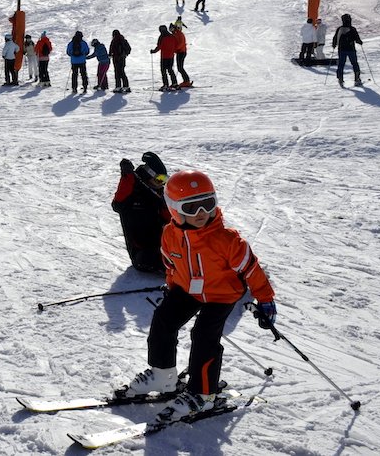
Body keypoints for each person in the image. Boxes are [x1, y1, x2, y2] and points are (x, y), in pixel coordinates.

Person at [116, 170, 277, 423]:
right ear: (174, 209)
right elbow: (171, 265)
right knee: (163, 320)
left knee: (204, 335)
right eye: (191, 207)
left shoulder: (228, 240)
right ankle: (163, 375)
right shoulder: (170, 234)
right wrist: (171, 287)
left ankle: (203, 394)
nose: (201, 213)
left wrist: (265, 299)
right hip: (187, 288)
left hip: (221, 294)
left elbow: (252, 270)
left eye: (207, 204)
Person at [111, 152, 169, 272]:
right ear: (148, 175)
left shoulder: (159, 194)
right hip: (142, 254)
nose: (162, 183)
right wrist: (127, 177)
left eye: (164, 180)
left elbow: (170, 220)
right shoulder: (132, 193)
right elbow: (117, 204)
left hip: (164, 246)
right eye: (159, 179)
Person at [332, 13, 364, 86]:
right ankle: (357, 79)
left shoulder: (339, 29)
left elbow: (335, 38)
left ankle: (340, 79)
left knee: (341, 64)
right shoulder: (352, 29)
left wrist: (334, 45)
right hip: (351, 49)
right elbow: (357, 39)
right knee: (354, 63)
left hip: (341, 49)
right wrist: (360, 42)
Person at [150, 25, 179, 91]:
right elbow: (176, 45)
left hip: (164, 57)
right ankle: (174, 83)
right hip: (171, 56)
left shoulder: (162, 37)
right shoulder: (172, 36)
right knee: (170, 70)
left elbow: (159, 46)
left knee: (163, 71)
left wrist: (153, 51)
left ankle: (166, 85)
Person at [108, 29, 131, 93]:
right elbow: (129, 48)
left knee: (117, 72)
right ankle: (126, 86)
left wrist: (110, 55)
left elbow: (111, 48)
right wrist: (125, 54)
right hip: (123, 58)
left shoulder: (114, 40)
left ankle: (118, 87)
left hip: (116, 58)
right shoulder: (123, 40)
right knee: (122, 72)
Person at [172, 22, 192, 87]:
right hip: (180, 52)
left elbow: (180, 44)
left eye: (171, 29)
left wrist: (174, 50)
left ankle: (187, 81)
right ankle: (186, 81)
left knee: (180, 68)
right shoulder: (176, 34)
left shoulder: (179, 34)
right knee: (180, 68)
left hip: (181, 52)